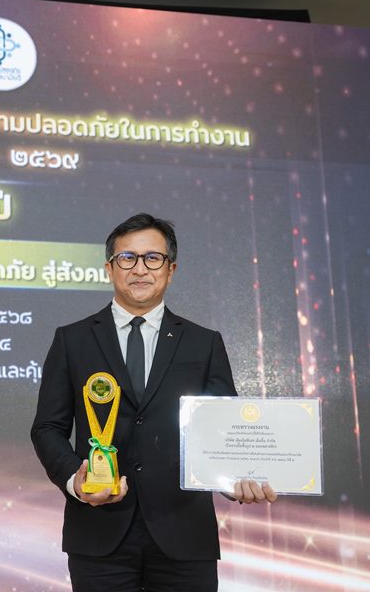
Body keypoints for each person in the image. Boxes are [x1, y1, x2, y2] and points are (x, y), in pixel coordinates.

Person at [30, 213, 277, 592]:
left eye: (153, 258)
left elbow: (223, 431)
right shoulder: (72, 340)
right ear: (109, 268)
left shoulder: (203, 343)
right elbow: (48, 427)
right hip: (98, 533)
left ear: (170, 269)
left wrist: (236, 480)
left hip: (185, 534)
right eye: (127, 258)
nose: (140, 268)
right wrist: (75, 481)